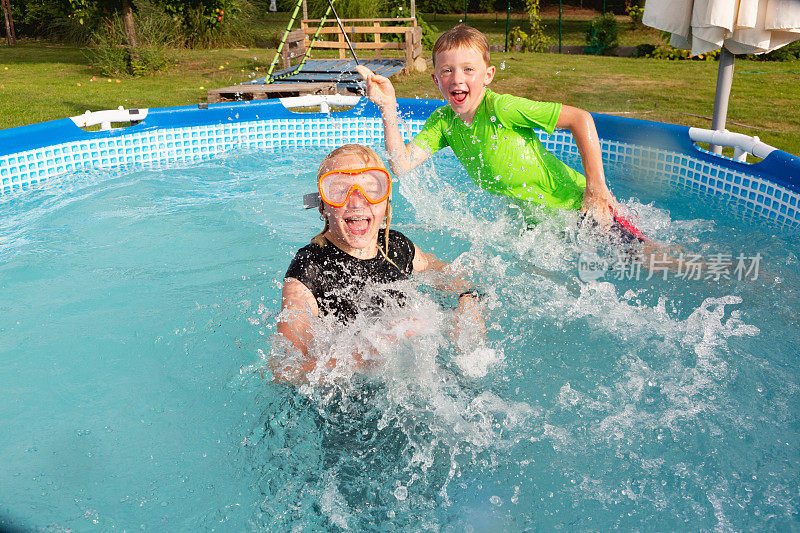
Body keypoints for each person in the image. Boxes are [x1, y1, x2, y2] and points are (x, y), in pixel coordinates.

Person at [356, 24, 646, 242]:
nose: (457, 79)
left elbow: (580, 119)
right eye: (447, 71)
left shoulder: (502, 108)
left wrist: (595, 189)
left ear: (489, 75)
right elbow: (402, 166)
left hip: (583, 211)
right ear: (435, 79)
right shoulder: (444, 123)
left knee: (651, 260)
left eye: (469, 69)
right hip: (542, 228)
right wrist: (388, 107)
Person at [272, 144, 483, 384]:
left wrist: (468, 301)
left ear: (386, 203)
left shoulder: (397, 246)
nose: (356, 202)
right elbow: (285, 371)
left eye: (372, 189)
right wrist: (360, 353)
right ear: (323, 206)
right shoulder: (309, 268)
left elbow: (448, 274)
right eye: (339, 191)